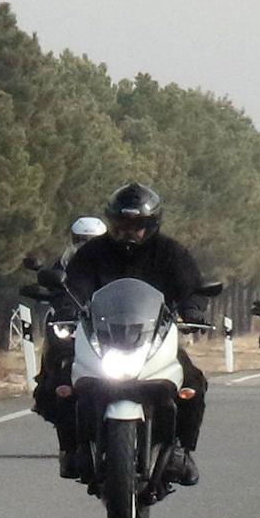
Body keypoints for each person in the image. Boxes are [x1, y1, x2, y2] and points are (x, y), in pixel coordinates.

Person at [61, 182, 209, 491]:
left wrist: (193, 310)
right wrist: (66, 305)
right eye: (121, 225)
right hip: (103, 337)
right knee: (60, 382)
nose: (129, 232)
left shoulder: (169, 252)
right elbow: (76, 283)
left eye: (137, 226)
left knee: (193, 383)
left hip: (154, 337)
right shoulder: (93, 253)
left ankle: (182, 450)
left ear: (151, 224)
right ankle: (72, 448)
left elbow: (190, 286)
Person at [32, 216, 108, 477]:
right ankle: (48, 391)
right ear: (74, 238)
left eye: (93, 240)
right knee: (61, 370)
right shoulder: (64, 261)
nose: (86, 245)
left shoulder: (118, 261)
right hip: (74, 321)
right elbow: (52, 283)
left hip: (110, 326)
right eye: (82, 239)